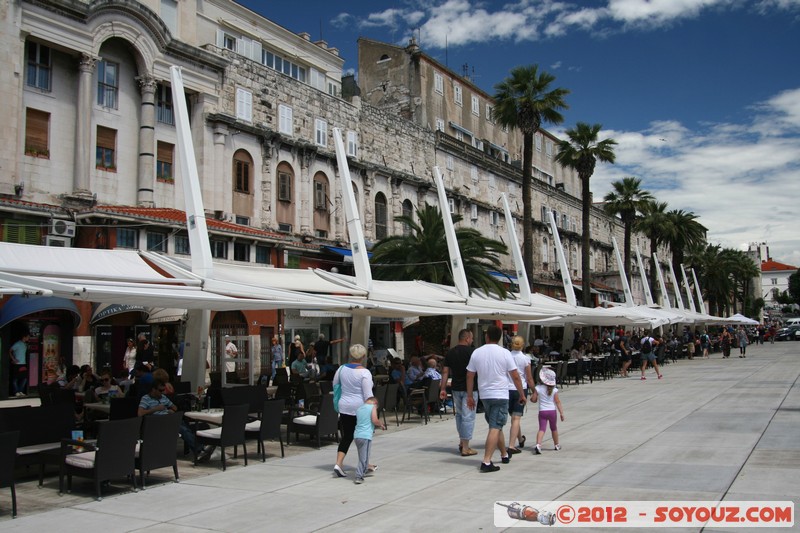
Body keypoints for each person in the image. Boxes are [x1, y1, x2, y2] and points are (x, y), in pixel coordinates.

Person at [466, 325, 527, 473]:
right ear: (500, 338)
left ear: (486, 337)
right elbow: (516, 376)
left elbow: (470, 375)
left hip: (485, 395)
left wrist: (469, 395)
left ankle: (504, 454)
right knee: (495, 426)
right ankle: (486, 461)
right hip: (500, 394)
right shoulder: (504, 353)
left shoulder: (476, 352)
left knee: (495, 425)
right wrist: (522, 394)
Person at [332, 344, 374, 478]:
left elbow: (335, 385)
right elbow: (368, 394)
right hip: (360, 408)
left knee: (348, 435)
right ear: (363, 356)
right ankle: (365, 465)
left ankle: (338, 463)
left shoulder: (341, 369)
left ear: (351, 355)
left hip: (344, 405)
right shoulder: (364, 373)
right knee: (363, 436)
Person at [137, 379, 202, 458]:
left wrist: (170, 410)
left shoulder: (163, 397)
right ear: (153, 389)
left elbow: (174, 407)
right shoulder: (146, 398)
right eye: (160, 390)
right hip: (156, 421)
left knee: (187, 428)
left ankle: (200, 448)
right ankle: (199, 449)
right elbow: (140, 413)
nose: (162, 392)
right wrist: (155, 409)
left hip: (168, 418)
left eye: (163, 390)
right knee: (183, 429)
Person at [440, 329, 478, 456]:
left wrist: (443, 389)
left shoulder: (450, 352)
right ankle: (466, 447)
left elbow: (445, 372)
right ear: (467, 338)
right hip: (470, 390)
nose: (472, 341)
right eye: (471, 338)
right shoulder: (472, 352)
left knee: (460, 416)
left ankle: (462, 442)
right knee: (468, 417)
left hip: (455, 388)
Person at [507, 335, 534, 455]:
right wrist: (534, 390)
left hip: (507, 389)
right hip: (520, 389)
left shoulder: (506, 356)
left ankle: (520, 439)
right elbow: (529, 378)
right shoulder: (525, 358)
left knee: (513, 418)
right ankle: (511, 446)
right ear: (522, 345)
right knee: (516, 418)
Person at [531, 367, 565, 454]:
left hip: (542, 411)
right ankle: (556, 445)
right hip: (552, 411)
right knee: (553, 428)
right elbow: (557, 402)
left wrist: (533, 397)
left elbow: (533, 399)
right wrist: (561, 413)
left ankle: (538, 445)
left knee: (542, 429)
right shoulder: (554, 390)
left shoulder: (538, 388)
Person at [353, 396, 385, 484]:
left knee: (364, 455)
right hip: (365, 435)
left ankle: (363, 471)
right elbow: (374, 420)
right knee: (363, 457)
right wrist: (381, 424)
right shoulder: (372, 407)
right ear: (375, 403)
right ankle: (358, 476)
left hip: (357, 435)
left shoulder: (359, 409)